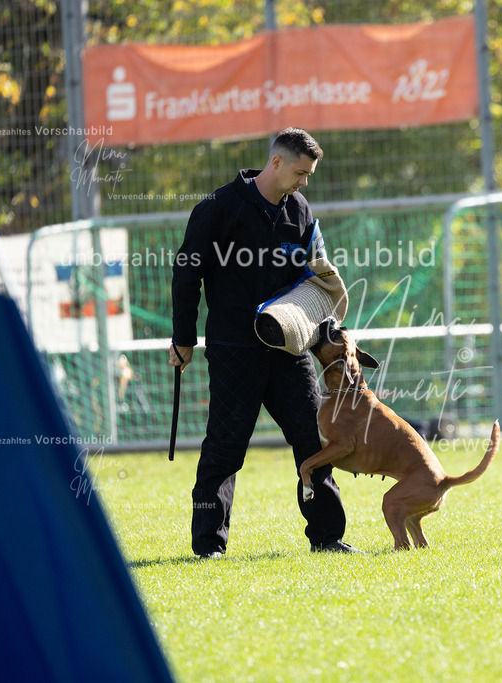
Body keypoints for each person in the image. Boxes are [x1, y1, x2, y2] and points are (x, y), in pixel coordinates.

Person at [169, 128, 359, 557]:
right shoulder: (219, 207)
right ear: (276, 163)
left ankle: (328, 538)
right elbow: (186, 272)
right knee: (225, 446)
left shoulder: (300, 210)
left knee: (314, 441)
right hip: (234, 348)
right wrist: (183, 338)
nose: (304, 182)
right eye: (300, 172)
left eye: (308, 175)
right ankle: (209, 547)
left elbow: (312, 276)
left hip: (288, 351)